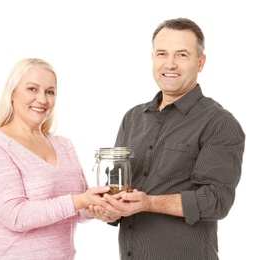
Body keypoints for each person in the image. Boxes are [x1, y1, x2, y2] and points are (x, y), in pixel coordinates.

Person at [87, 18, 245, 260]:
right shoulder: (133, 118)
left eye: (182, 55)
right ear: (153, 58)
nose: (169, 63)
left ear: (200, 62)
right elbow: (117, 189)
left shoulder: (219, 123)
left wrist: (148, 203)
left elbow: (216, 201)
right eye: (162, 53)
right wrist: (109, 211)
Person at [0, 58, 110, 260]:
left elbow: (79, 209)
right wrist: (81, 200)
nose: (42, 100)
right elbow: (15, 216)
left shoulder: (64, 145)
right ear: (12, 94)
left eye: (50, 92)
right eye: (32, 89)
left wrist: (102, 206)